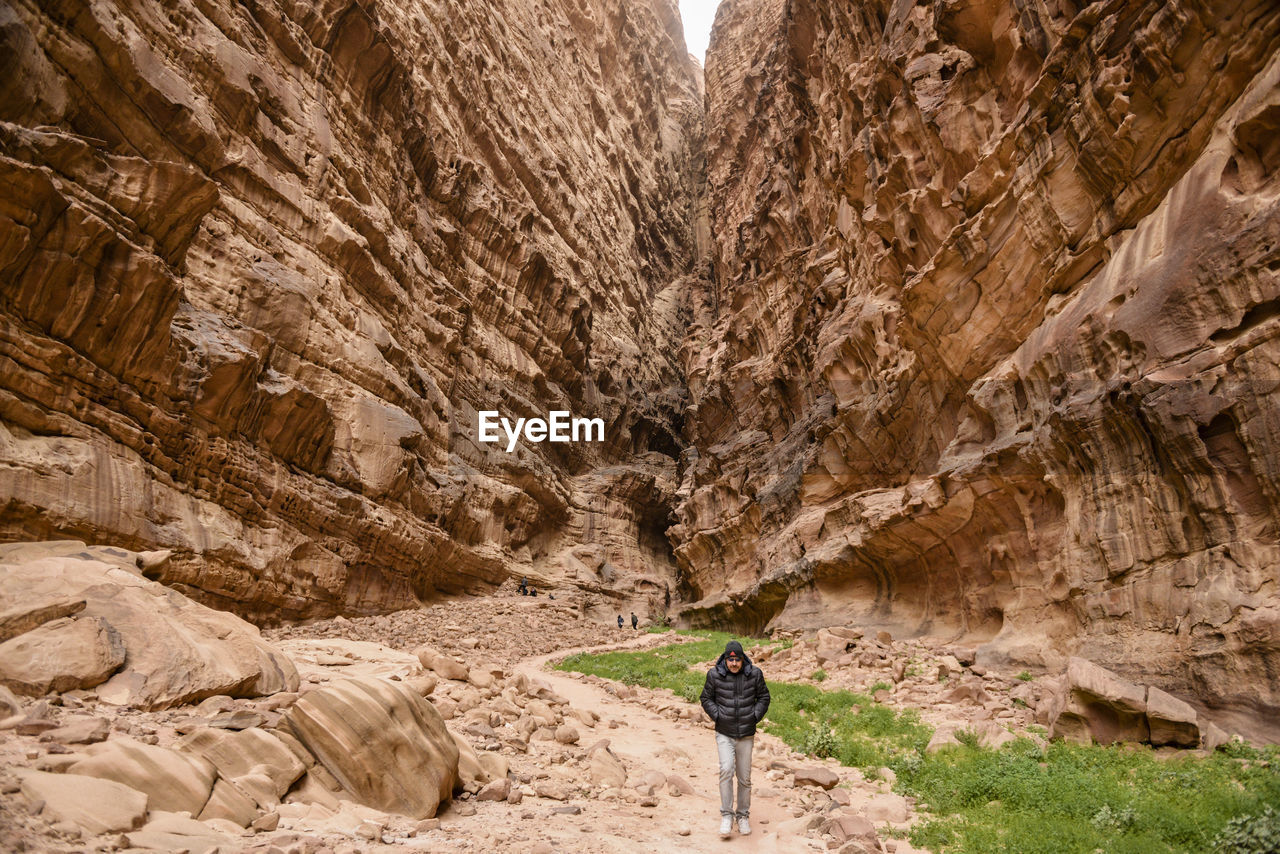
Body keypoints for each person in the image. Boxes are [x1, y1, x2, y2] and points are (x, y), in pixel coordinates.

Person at [700, 640, 770, 838]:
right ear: (725, 659)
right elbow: (705, 698)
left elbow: (764, 697)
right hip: (724, 731)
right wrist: (718, 715)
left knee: (745, 778)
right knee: (726, 770)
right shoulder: (714, 674)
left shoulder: (754, 674)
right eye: (730, 660)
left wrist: (754, 716)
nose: (733, 664)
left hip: (746, 733)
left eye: (737, 660)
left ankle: (743, 816)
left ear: (742, 659)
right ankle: (727, 815)